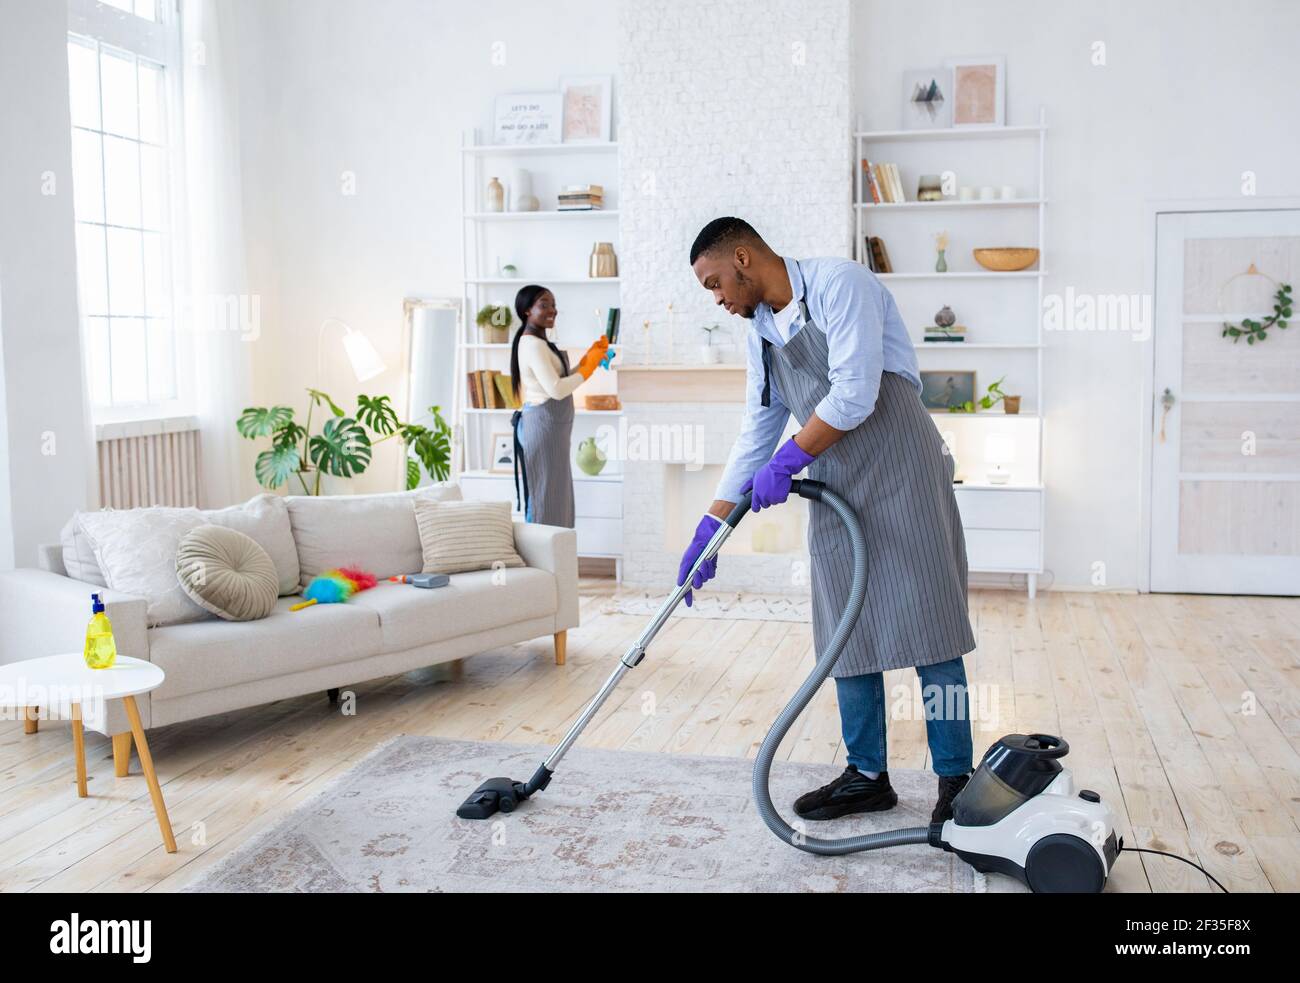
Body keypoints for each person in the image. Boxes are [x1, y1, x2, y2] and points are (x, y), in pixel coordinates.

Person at [678, 217, 977, 823]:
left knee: (933, 624)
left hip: (900, 465)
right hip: (836, 476)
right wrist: (711, 524)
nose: (717, 301)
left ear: (743, 257)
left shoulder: (841, 283)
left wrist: (788, 461)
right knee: (843, 626)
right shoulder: (760, 331)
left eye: (714, 284)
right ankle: (867, 775)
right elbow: (758, 427)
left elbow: (857, 392)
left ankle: (957, 779)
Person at [509, 285, 611, 526]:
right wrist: (588, 368)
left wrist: (590, 358)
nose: (552, 310)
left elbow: (563, 378)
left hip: (551, 431)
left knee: (557, 495)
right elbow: (556, 389)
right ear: (526, 311)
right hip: (543, 428)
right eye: (544, 305)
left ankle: (557, 556)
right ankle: (544, 558)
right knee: (545, 496)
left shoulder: (539, 343)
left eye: (554, 305)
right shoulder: (532, 345)